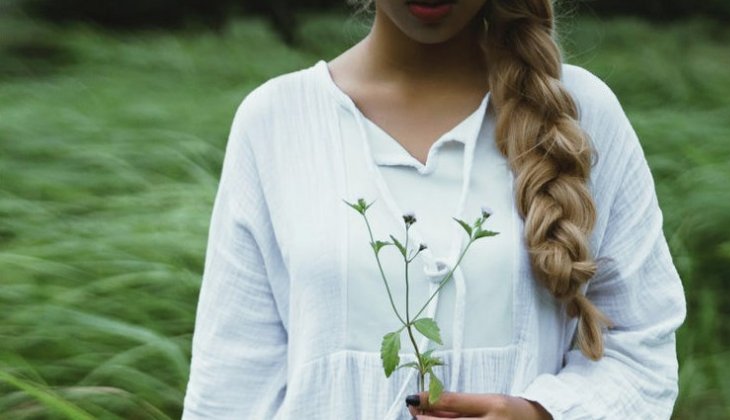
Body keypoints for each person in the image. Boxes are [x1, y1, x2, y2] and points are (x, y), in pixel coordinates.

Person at [181, 0, 687, 418]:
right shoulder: (274, 123)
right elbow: (230, 388)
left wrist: (543, 412)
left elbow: (642, 352)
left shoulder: (579, 114)